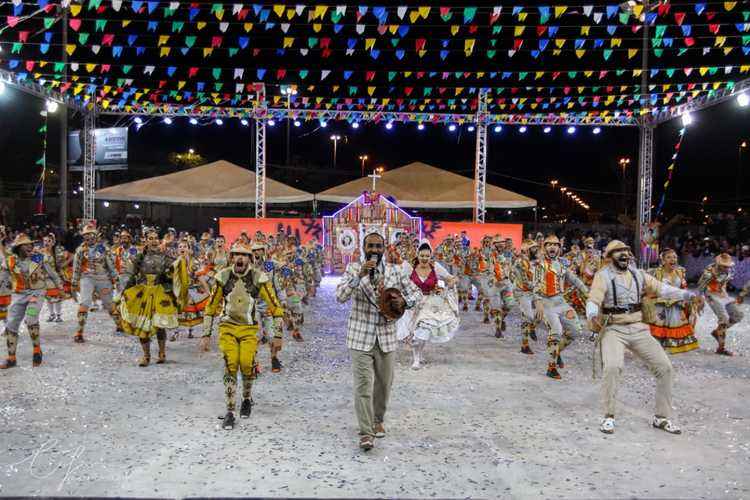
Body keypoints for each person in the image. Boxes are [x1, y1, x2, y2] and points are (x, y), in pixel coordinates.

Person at [587, 240, 703, 435]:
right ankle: (609, 416)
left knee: (665, 368)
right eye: (618, 252)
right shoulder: (603, 276)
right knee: (613, 367)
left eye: (626, 251)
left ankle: (661, 417)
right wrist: (591, 314)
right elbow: (594, 298)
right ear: (610, 257)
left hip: (638, 327)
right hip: (614, 328)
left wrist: (688, 295)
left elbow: (662, 289)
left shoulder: (638, 274)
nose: (624, 255)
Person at [335, 231, 421, 451]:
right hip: (359, 336)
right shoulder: (353, 269)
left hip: (386, 336)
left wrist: (402, 303)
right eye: (370, 246)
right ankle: (366, 432)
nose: (374, 250)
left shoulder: (395, 271)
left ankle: (378, 420)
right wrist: (359, 277)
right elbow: (340, 296)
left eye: (378, 246)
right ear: (363, 248)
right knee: (363, 385)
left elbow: (416, 294)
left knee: (384, 384)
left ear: (384, 249)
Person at [199, 241, 284, 430]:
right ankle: (230, 411)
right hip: (227, 327)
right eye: (236, 254)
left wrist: (278, 335)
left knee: (246, 364)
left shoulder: (258, 278)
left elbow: (276, 307)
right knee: (230, 364)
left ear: (250, 258)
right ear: (231, 257)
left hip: (248, 329)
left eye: (244, 255)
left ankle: (246, 398)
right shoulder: (223, 277)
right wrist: (206, 333)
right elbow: (210, 306)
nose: (240, 258)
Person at [0, 232, 62, 368]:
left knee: (31, 318)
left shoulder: (39, 258)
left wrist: (61, 288)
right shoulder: (10, 261)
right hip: (19, 294)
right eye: (25, 245)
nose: (29, 247)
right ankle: (11, 358)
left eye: (30, 244)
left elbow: (53, 274)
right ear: (18, 248)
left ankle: (36, 350)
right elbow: (2, 278)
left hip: (37, 293)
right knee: (11, 324)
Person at [396, 241, 459, 370]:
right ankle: (417, 355)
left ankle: (417, 359)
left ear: (431, 256)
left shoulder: (435, 267)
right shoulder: (410, 267)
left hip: (430, 304)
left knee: (423, 330)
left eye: (427, 256)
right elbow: (400, 281)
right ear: (417, 254)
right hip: (412, 304)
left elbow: (450, 278)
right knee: (413, 334)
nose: (424, 258)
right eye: (422, 255)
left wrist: (449, 284)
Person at [533, 235, 589, 379]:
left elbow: (575, 280)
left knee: (575, 331)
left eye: (555, 245)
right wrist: (538, 301)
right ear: (544, 247)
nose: (552, 247)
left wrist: (590, 294)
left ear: (559, 248)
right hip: (546, 303)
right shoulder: (539, 264)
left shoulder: (563, 265)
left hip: (560, 302)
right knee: (556, 331)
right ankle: (551, 367)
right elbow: (536, 284)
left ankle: (556, 353)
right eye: (549, 244)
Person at [120, 230, 178, 366]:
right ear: (145, 240)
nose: (153, 241)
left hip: (159, 292)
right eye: (150, 238)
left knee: (159, 324)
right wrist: (125, 291)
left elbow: (175, 270)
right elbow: (132, 275)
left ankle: (162, 353)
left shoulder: (165, 257)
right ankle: (146, 356)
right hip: (143, 293)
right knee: (142, 326)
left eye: (155, 238)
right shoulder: (139, 257)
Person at [644, 249, 699, 353]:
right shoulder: (656, 273)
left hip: (676, 306)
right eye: (669, 257)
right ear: (663, 260)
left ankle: (670, 346)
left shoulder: (680, 272)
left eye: (674, 257)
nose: (672, 259)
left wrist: (690, 301)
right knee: (658, 328)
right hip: (659, 306)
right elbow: (649, 289)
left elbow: (684, 288)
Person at [71, 224, 119, 343]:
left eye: (91, 234)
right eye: (86, 235)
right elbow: (76, 267)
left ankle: (120, 324)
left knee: (109, 303)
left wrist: (116, 278)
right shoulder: (80, 250)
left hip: (103, 278)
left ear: (96, 236)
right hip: (87, 278)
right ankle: (79, 331)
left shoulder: (104, 248)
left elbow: (111, 265)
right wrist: (74, 282)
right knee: (85, 302)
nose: (89, 237)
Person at [698, 253, 743, 355]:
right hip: (711, 294)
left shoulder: (729, 270)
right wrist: (700, 299)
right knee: (724, 319)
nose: (727, 268)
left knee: (738, 315)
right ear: (718, 264)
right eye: (724, 266)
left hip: (723, 293)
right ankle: (721, 348)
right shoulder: (709, 271)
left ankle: (717, 332)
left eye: (728, 266)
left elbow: (724, 282)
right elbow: (701, 285)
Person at [511, 239, 539, 354]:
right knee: (528, 316)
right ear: (527, 250)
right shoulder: (520, 263)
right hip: (523, 292)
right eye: (533, 248)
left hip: (533, 292)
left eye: (536, 248)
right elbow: (526, 281)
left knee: (542, 314)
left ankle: (532, 327)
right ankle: (525, 345)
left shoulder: (535, 262)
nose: (536, 250)